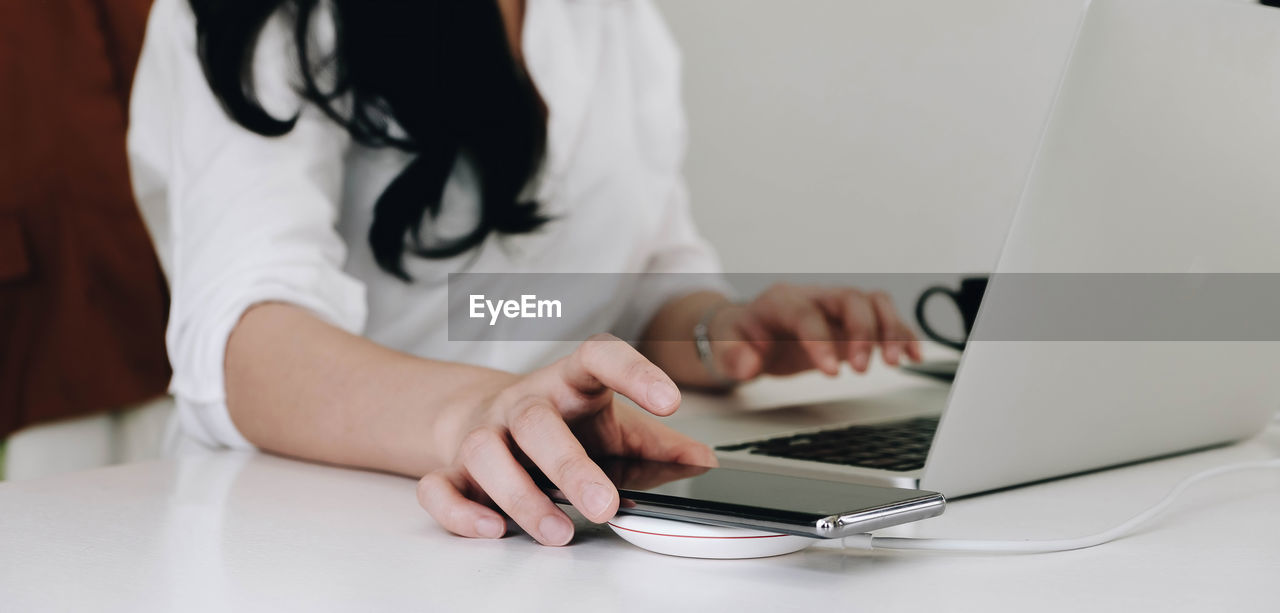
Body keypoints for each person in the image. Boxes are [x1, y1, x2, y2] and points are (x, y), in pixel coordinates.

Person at [128, 0, 922, 547]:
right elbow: (242, 341)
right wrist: (473, 412)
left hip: (565, 512)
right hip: (309, 529)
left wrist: (722, 332)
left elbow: (627, 284)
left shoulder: (612, 16)